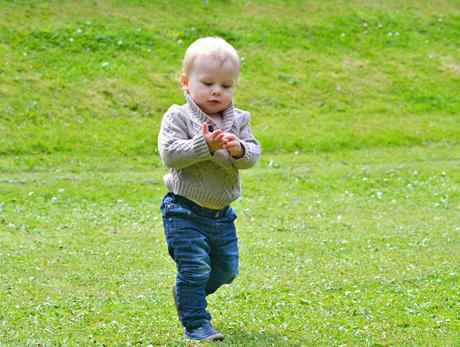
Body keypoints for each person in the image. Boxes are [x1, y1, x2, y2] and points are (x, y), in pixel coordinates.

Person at [158, 36, 261, 340]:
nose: (217, 90)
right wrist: (204, 144)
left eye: (226, 86)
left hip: (221, 214)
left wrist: (239, 149)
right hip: (184, 211)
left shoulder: (239, 120)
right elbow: (171, 154)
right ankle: (196, 323)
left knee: (226, 271)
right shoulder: (178, 116)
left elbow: (252, 155)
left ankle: (186, 292)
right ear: (186, 82)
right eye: (208, 83)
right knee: (195, 269)